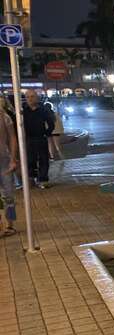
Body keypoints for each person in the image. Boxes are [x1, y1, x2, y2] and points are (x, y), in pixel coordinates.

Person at [22, 90, 55, 188]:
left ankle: (43, 180)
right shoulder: (24, 110)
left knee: (43, 159)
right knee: (30, 160)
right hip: (28, 139)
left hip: (40, 138)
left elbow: (51, 123)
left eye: (32, 96)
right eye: (28, 97)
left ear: (37, 97)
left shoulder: (43, 109)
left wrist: (46, 133)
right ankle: (31, 179)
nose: (30, 99)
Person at [0, 102, 18, 236]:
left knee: (9, 194)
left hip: (4, 160)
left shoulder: (4, 117)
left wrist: (13, 158)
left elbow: (12, 138)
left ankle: (10, 224)